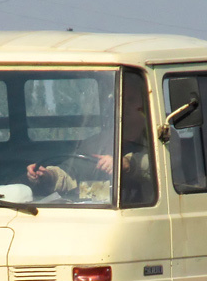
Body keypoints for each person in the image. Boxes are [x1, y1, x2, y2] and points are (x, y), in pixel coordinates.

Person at [26, 72, 154, 205]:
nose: (124, 106)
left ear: (145, 104)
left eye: (131, 100)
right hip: (105, 211)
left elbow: (161, 169)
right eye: (120, 100)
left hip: (145, 209)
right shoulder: (97, 142)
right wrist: (48, 175)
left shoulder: (162, 137)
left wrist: (128, 164)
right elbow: (72, 174)